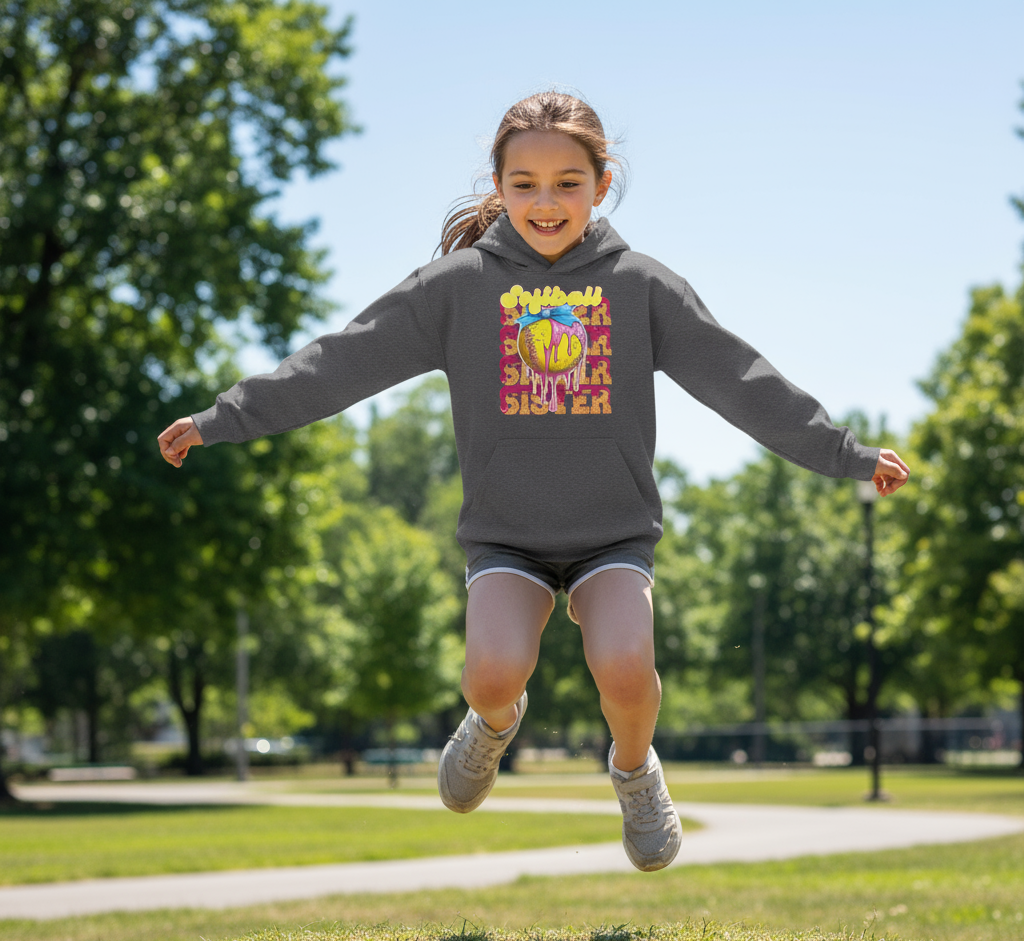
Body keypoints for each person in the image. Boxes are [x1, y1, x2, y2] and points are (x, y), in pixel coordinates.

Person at [159, 91, 909, 872]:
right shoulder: (455, 287)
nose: (545, 203)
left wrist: (847, 453)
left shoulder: (642, 287)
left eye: (566, 183)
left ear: (601, 181)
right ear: (500, 183)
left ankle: (633, 772)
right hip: (506, 537)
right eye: (524, 184)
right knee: (490, 673)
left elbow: (742, 381)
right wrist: (225, 416)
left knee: (623, 665)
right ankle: (491, 723)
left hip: (611, 534)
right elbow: (341, 360)